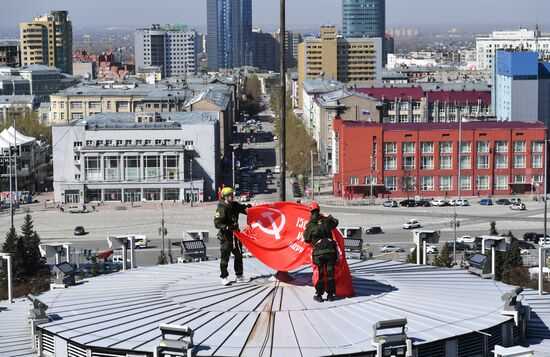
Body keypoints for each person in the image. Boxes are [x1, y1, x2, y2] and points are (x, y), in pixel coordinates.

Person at [214, 187, 251, 286]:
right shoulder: (222, 208)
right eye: (230, 195)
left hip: (235, 235)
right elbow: (217, 223)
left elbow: (244, 209)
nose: (232, 197)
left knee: (238, 255)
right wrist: (226, 227)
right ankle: (224, 277)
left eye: (232, 195)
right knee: (225, 257)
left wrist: (250, 208)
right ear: (225, 197)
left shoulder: (234, 205)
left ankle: (239, 275)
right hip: (226, 236)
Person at [304, 201, 339, 302]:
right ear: (319, 210)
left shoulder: (310, 225)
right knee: (330, 273)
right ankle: (330, 295)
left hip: (319, 252)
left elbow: (306, 239)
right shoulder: (326, 220)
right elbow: (336, 222)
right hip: (330, 251)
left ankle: (319, 295)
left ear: (311, 212)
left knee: (320, 274)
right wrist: (329, 216)